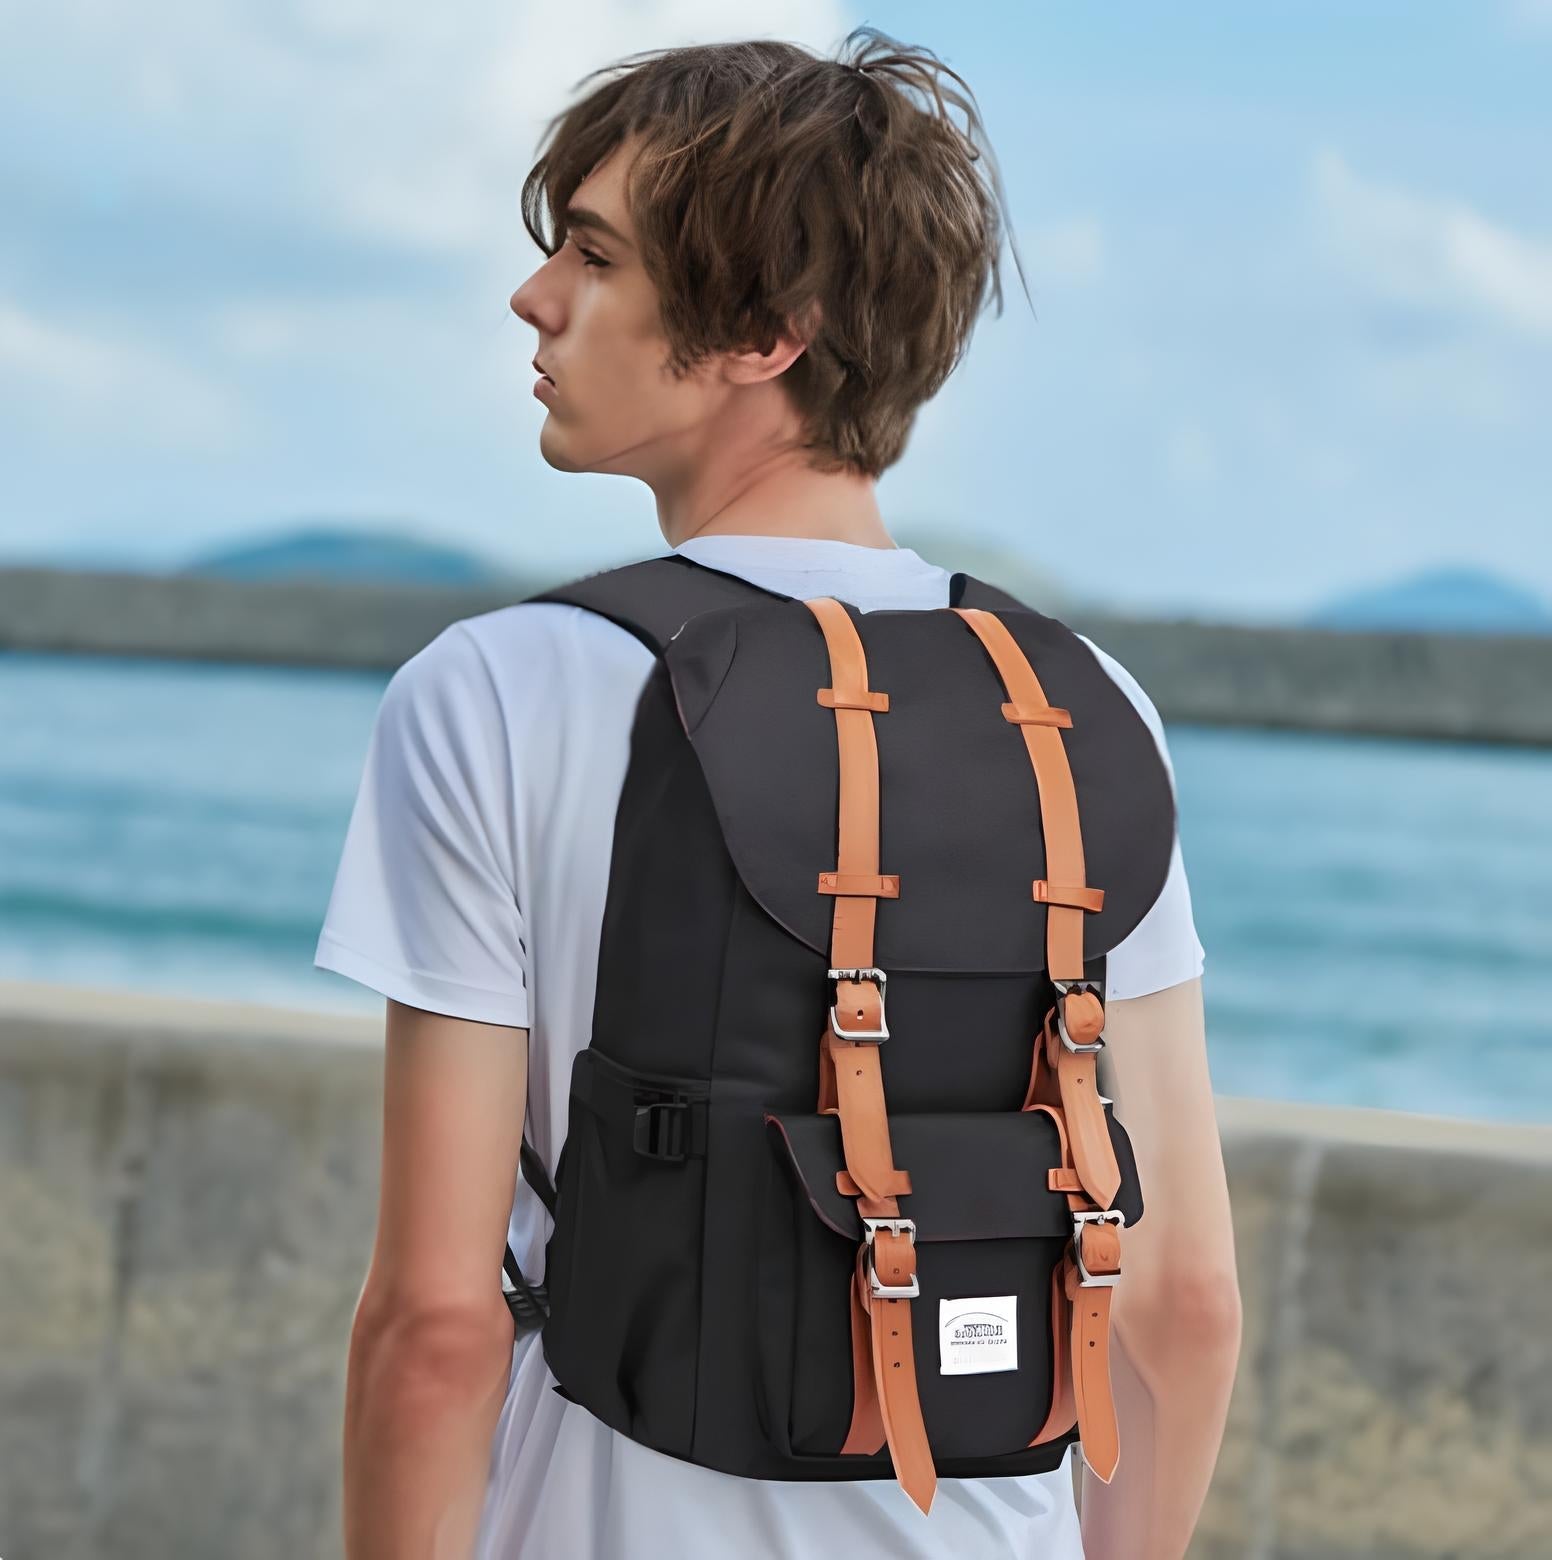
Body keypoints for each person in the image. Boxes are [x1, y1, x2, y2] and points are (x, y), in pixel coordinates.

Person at [315, 27, 1241, 1560]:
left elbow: (433, 1323)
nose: (534, 297)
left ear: (766, 331)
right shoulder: (1083, 704)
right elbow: (1181, 1300)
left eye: (595, 257)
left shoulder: (498, 691)